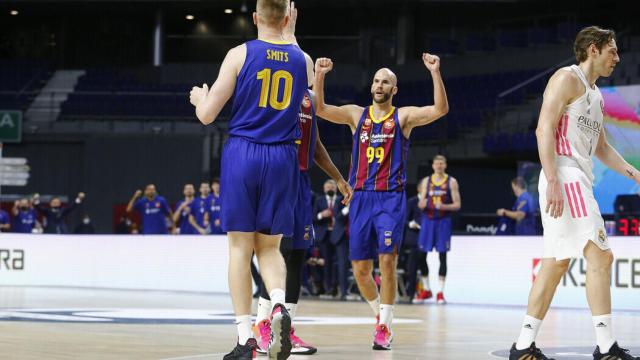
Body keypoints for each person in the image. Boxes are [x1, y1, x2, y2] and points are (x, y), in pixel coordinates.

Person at [188, 0, 313, 357]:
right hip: (283, 156)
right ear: (288, 17)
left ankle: (246, 340)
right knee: (270, 248)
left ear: (255, 18)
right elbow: (292, 48)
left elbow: (209, 116)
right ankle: (277, 305)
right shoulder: (302, 60)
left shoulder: (238, 54)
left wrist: (201, 98)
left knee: (240, 248)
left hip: (244, 152)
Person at [509, 26, 639, 360]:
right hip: (565, 175)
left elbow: (602, 147)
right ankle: (606, 346)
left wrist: (635, 174)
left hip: (572, 176)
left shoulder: (596, 95)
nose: (617, 57)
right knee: (601, 254)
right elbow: (543, 129)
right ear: (593, 50)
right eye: (612, 50)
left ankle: (523, 346)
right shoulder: (566, 79)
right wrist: (552, 179)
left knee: (555, 263)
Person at [314, 50, 448, 350]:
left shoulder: (403, 117)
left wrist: (435, 72)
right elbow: (320, 108)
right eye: (376, 81)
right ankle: (379, 315)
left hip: (390, 198)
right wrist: (320, 76)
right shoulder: (354, 114)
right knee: (360, 270)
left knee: (387, 261)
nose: (379, 85)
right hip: (360, 197)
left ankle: (386, 327)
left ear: (394, 89)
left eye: (385, 82)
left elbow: (440, 109)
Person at [254, 89, 353, 355]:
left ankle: (286, 332)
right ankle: (262, 325)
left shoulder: (309, 99)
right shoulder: (275, 91)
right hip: (277, 177)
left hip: (301, 181)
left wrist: (339, 178)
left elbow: (315, 146)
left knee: (297, 254)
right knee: (279, 251)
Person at [417, 155, 461, 305]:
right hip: (428, 221)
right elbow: (421, 201)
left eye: (441, 163)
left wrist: (444, 206)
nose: (439, 166)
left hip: (443, 221)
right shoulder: (426, 181)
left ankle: (441, 292)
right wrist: (421, 204)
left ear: (445, 165)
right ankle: (427, 289)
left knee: (442, 256)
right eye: (437, 163)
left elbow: (457, 205)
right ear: (433, 165)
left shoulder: (451, 181)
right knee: (421, 255)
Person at [312, 179, 350, 300]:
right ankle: (328, 289)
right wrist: (321, 215)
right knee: (326, 264)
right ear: (324, 189)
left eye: (332, 187)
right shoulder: (319, 200)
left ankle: (342, 290)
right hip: (324, 235)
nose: (330, 189)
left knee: (341, 263)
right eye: (327, 187)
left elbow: (344, 216)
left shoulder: (341, 200)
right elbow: (312, 217)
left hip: (339, 234)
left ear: (336, 189)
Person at [402, 183, 429, 304]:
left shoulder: (430, 202)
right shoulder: (412, 201)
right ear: (419, 188)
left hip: (426, 236)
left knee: (422, 262)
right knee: (412, 266)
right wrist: (410, 224)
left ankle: (424, 290)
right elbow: (404, 219)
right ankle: (411, 293)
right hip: (413, 237)